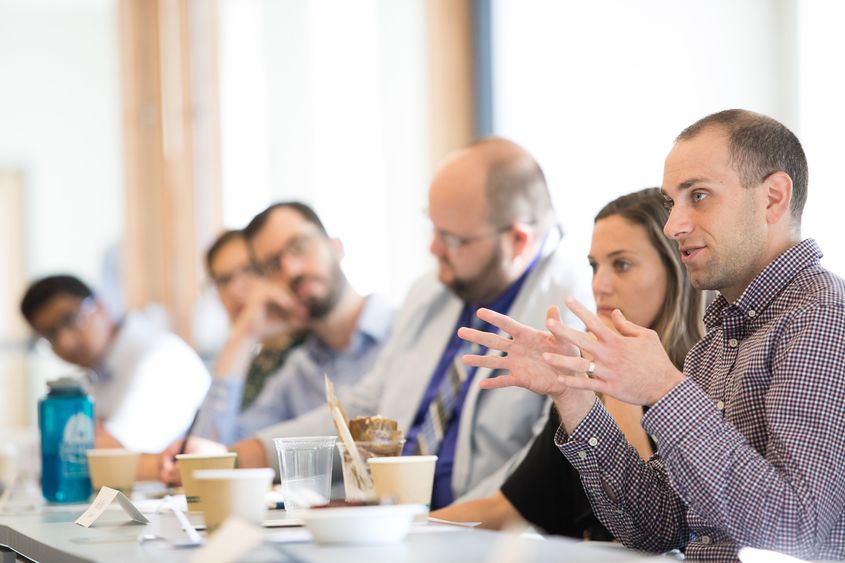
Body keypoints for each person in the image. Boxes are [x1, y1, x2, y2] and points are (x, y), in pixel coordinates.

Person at [460, 110, 845, 560]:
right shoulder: (718, 339)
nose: (673, 226)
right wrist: (574, 396)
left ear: (773, 199)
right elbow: (662, 527)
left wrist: (664, 388)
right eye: (671, 202)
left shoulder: (821, 319)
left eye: (698, 196)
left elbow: (795, 527)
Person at [166, 138, 592, 509]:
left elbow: (543, 469)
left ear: (518, 240)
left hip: (477, 536)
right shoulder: (432, 291)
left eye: (453, 240)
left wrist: (428, 525)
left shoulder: (570, 311)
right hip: (392, 524)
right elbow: (367, 405)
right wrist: (241, 456)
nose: (434, 249)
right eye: (433, 228)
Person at [432, 187, 704, 538]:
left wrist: (614, 384)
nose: (599, 285)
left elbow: (650, 527)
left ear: (676, 268)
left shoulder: (705, 380)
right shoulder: (577, 383)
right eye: (594, 266)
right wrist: (397, 529)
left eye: (621, 265)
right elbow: (506, 509)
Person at [177, 201, 394, 450]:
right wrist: (243, 336)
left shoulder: (407, 331)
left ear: (336, 246)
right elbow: (212, 451)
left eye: (299, 246)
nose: (290, 269)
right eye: (273, 265)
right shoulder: (298, 371)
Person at [20, 274, 210, 455]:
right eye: (49, 334)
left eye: (70, 320)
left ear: (100, 306)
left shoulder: (158, 357)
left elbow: (115, 453)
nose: (65, 341)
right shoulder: (95, 373)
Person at [192, 230, 307, 444]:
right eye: (223, 280)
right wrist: (242, 338)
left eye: (249, 270)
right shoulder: (250, 359)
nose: (236, 289)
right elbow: (205, 449)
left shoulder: (308, 352)